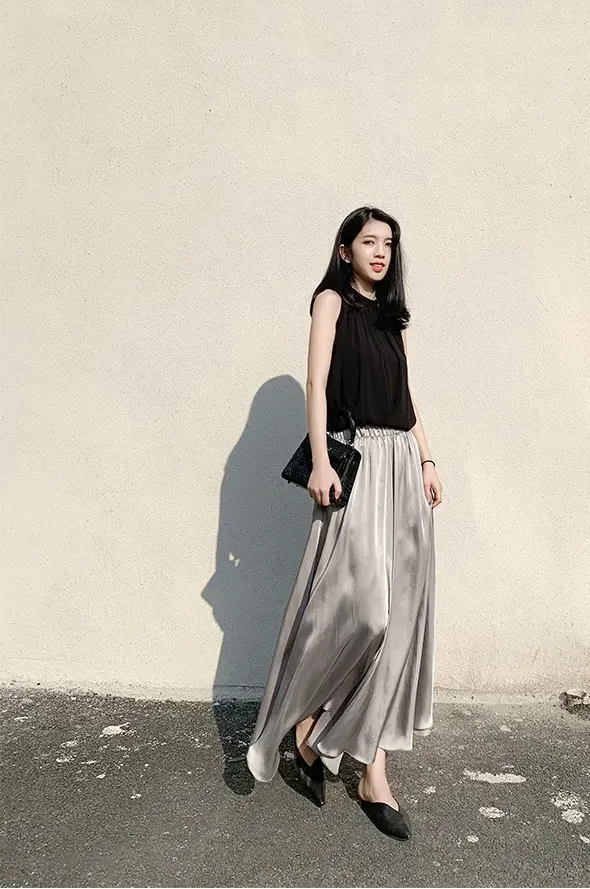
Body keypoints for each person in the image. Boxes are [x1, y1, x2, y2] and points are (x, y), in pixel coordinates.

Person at [245, 205, 442, 841]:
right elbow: (316, 381)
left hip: (402, 466)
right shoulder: (330, 302)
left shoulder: (393, 318)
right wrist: (322, 460)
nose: (381, 252)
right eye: (369, 241)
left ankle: (373, 772)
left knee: (398, 623)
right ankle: (306, 723)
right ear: (344, 249)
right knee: (366, 613)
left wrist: (427, 458)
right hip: (356, 461)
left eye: (389, 244)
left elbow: (407, 399)